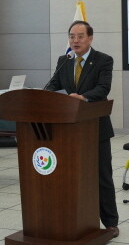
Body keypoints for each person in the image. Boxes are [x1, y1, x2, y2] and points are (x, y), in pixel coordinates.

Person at [45, 20, 119, 238]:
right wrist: (45, 95)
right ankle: (78, 218)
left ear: (90, 38)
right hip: (69, 129)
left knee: (102, 175)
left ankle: (110, 222)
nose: (75, 41)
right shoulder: (64, 60)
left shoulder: (103, 60)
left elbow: (103, 88)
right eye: (71, 36)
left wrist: (84, 97)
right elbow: (52, 84)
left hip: (95, 127)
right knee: (72, 176)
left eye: (79, 36)